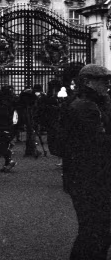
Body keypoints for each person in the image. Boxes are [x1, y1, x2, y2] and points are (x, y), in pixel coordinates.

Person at [58, 64, 111, 260]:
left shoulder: (98, 102)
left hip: (92, 174)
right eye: (102, 79)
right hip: (89, 176)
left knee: (97, 229)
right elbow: (98, 141)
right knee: (95, 230)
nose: (107, 83)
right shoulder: (85, 106)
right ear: (87, 82)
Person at [0, 86, 17, 173]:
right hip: (9, 126)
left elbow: (3, 115)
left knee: (2, 145)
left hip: (3, 126)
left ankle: (9, 161)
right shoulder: (11, 101)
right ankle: (7, 163)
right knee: (5, 144)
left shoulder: (4, 103)